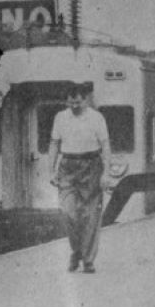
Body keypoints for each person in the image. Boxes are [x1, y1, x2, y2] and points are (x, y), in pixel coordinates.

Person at [47, 82, 112, 273]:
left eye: (77, 102)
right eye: (70, 103)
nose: (74, 106)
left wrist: (106, 173)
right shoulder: (60, 117)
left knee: (90, 215)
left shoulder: (97, 118)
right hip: (67, 166)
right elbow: (54, 144)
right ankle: (76, 250)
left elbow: (105, 146)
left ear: (85, 100)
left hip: (92, 166)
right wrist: (51, 170)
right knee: (69, 212)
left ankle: (88, 259)